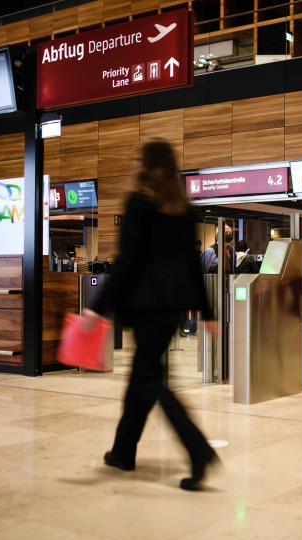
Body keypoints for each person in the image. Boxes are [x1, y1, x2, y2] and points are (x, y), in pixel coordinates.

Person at [82, 139, 219, 491]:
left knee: (150, 382)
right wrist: (206, 311)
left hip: (145, 306)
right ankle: (122, 452)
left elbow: (128, 261)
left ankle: (198, 449)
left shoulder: (140, 201)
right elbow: (192, 264)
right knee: (142, 379)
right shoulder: (182, 208)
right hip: (172, 309)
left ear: (147, 164)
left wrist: (96, 307)